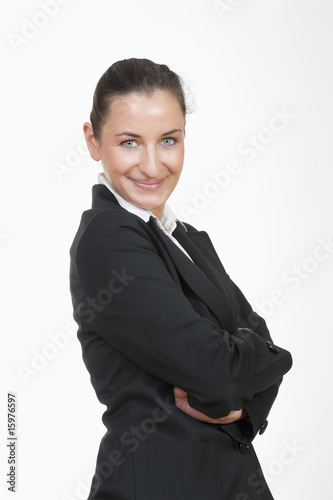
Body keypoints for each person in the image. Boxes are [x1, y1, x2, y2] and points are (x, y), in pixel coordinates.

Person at [69, 58, 292, 500]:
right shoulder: (107, 237)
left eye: (168, 140)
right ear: (93, 142)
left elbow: (261, 348)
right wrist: (251, 365)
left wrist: (242, 401)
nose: (152, 166)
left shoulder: (186, 237)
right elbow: (220, 372)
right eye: (130, 142)